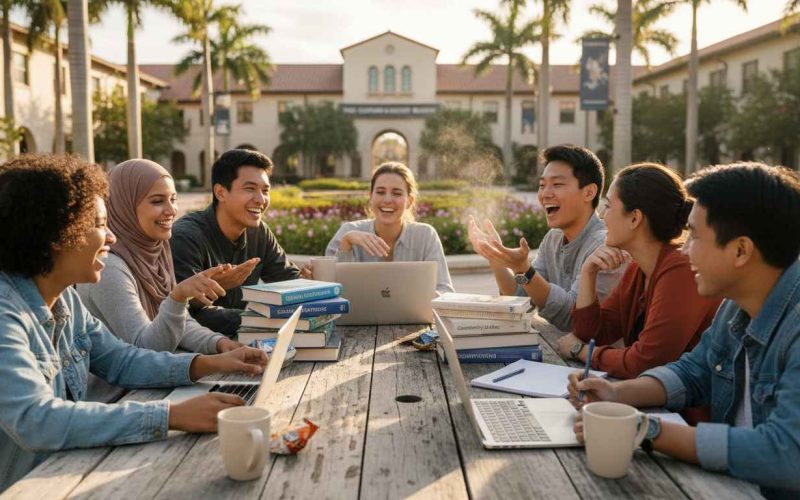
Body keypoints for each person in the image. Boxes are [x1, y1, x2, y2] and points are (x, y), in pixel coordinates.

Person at [0, 155, 268, 492]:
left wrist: (210, 362)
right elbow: (36, 421)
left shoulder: (63, 298)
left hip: (67, 468)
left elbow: (123, 360)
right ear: (58, 235)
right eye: (99, 224)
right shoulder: (5, 314)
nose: (111, 238)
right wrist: (171, 416)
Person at [568, 163, 800, 499]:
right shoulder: (737, 305)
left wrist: (644, 429)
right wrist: (618, 395)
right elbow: (695, 372)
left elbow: (786, 453)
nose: (686, 249)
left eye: (695, 237)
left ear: (741, 250)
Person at [77, 159, 243, 401]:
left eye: (173, 199)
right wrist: (178, 297)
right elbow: (146, 347)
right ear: (124, 206)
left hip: (154, 385)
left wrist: (220, 345)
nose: (171, 210)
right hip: (119, 399)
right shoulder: (107, 266)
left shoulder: (155, 250)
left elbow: (178, 324)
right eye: (157, 201)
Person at [558, 165, 721, 395]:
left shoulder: (681, 269)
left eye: (608, 206)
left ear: (635, 218)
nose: (602, 216)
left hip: (687, 417)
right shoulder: (638, 268)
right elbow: (594, 333)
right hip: (651, 405)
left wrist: (579, 351)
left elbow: (645, 362)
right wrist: (588, 272)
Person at [469, 144, 624, 331]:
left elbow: (573, 317)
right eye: (542, 185)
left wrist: (524, 269)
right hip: (563, 354)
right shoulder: (553, 238)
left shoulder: (605, 244)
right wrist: (496, 259)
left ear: (589, 192)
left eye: (557, 184)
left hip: (595, 356)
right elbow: (523, 296)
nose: (545, 194)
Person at [171, 149, 305, 337]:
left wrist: (308, 284)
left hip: (248, 343)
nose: (260, 199)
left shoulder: (259, 232)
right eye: (250, 189)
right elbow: (183, 313)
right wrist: (260, 319)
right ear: (220, 192)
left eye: (265, 190)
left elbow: (287, 279)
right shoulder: (185, 237)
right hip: (197, 354)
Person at [325, 162, 454, 294]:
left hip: (414, 315)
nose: (387, 199)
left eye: (397, 193)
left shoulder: (426, 236)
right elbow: (329, 291)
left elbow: (445, 290)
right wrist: (346, 244)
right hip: (360, 315)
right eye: (380, 192)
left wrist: (422, 301)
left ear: (409, 201)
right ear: (370, 196)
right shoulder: (347, 233)